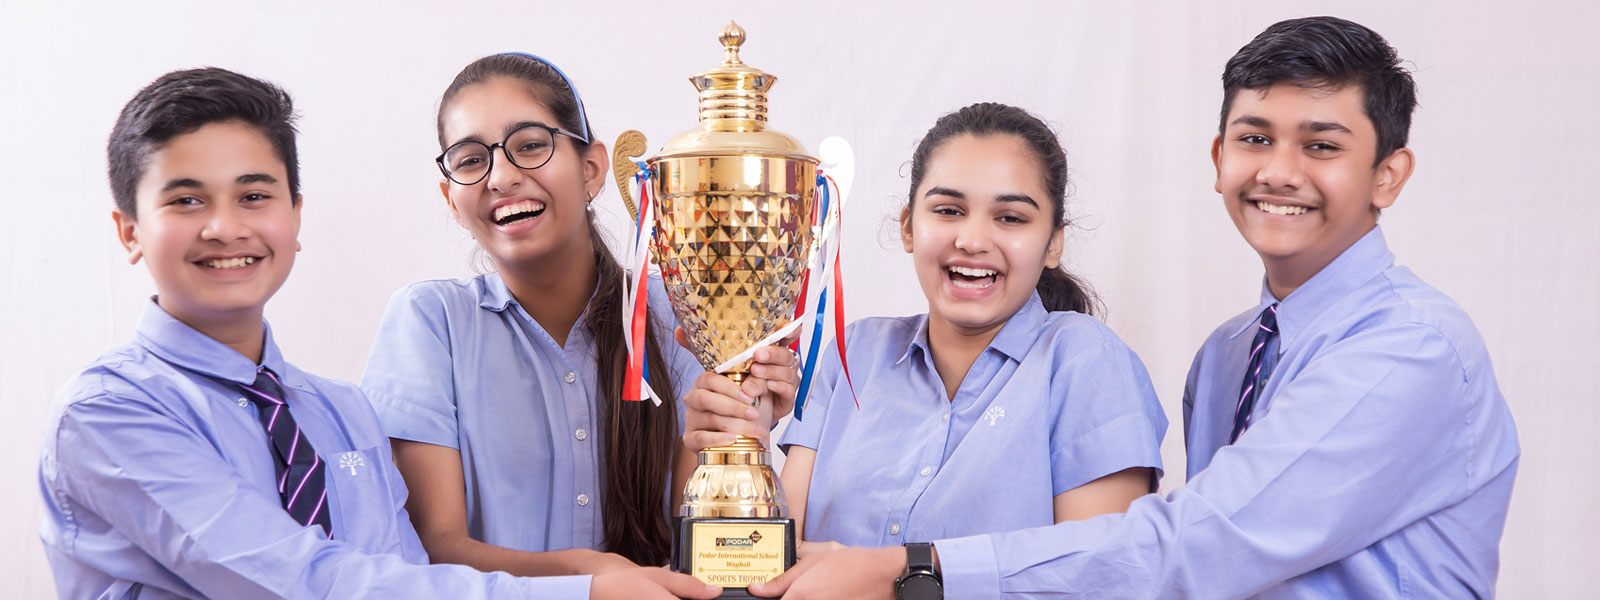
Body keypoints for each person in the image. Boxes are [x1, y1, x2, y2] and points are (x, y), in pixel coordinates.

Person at [751, 16, 1520, 599]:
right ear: (1220, 160)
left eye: (1322, 145)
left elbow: (1197, 544)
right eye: (1255, 138)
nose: (1280, 171)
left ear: (1388, 176)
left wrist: (911, 569)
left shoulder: (1409, 349)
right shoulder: (1230, 355)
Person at [37, 66, 717, 600]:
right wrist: (583, 589)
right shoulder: (108, 413)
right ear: (129, 230)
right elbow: (307, 583)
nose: (225, 227)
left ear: (294, 216)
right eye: (186, 199)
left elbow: (405, 571)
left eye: (253, 196)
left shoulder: (338, 411)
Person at [359, 52, 797, 582]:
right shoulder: (431, 322)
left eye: (530, 145)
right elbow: (432, 548)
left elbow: (699, 555)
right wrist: (592, 577)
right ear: (451, 197)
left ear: (591, 170)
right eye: (471, 159)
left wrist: (740, 428)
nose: (500, 176)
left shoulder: (682, 314)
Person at [686, 103, 1166, 554]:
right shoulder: (853, 354)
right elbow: (769, 556)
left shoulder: (1086, 361)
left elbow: (1092, 576)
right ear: (908, 227)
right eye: (948, 210)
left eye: (1011, 217)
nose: (973, 239)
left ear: (1053, 243)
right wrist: (738, 442)